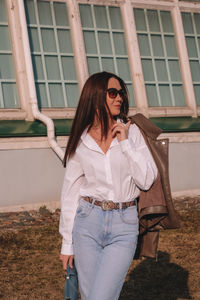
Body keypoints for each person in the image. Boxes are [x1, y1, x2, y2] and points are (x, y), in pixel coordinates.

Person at [59, 71, 158, 300]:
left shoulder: (132, 132)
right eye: (112, 93)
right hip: (87, 223)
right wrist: (67, 244)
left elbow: (146, 179)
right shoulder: (81, 139)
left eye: (121, 93)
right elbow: (70, 192)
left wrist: (125, 143)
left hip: (123, 224)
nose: (119, 98)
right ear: (95, 97)